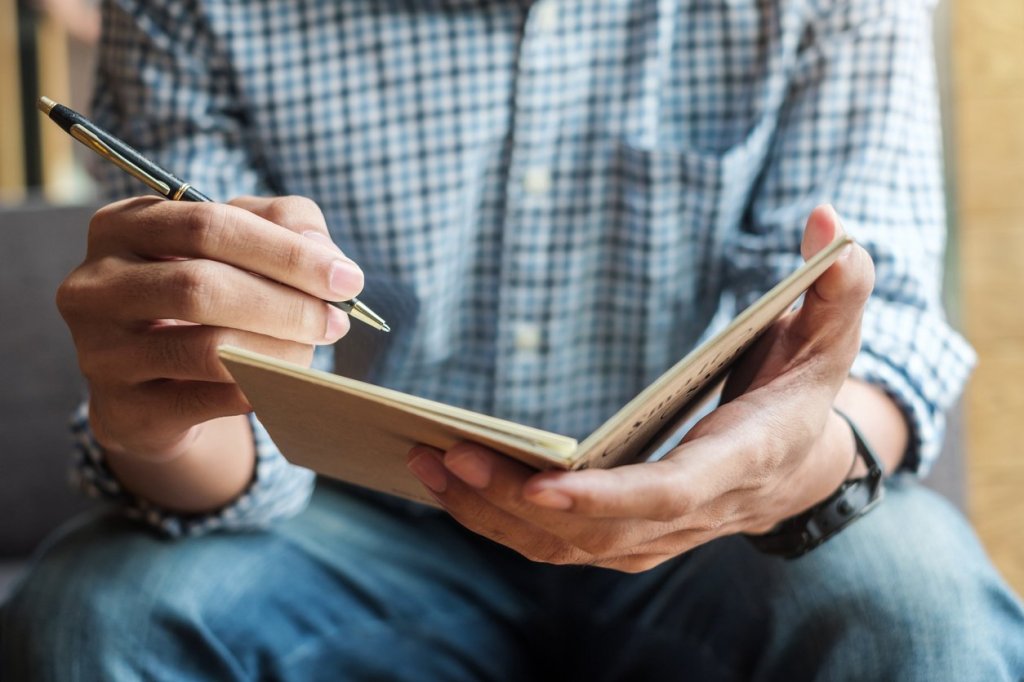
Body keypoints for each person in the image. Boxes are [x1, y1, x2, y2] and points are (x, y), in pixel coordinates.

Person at [3, 0, 1023, 678]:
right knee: (99, 614)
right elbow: (235, 441)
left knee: (922, 609)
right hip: (344, 527)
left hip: (716, 520)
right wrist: (162, 420)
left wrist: (800, 461)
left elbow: (878, 329)